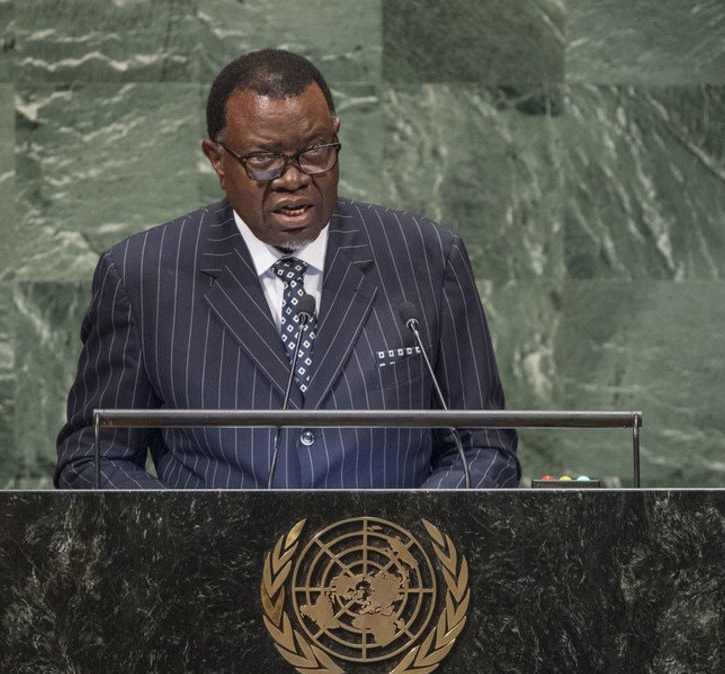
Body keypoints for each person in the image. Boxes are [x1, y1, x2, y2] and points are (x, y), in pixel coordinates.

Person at [55, 49, 520, 489]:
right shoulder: (142, 276)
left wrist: (400, 537)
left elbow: (484, 448)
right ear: (217, 160)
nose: (293, 178)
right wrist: (191, 532)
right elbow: (94, 459)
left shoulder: (426, 257)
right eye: (263, 159)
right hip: (215, 567)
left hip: (381, 567)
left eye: (315, 150)